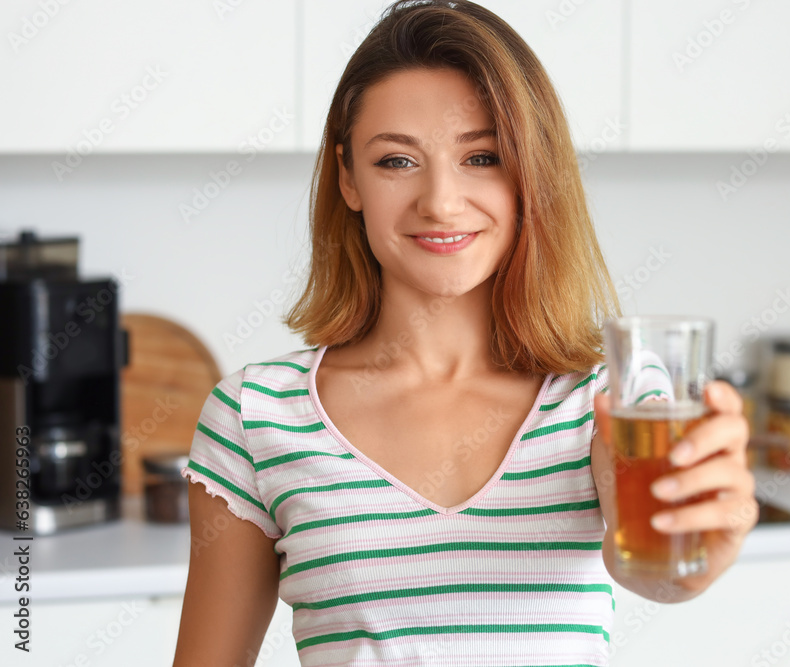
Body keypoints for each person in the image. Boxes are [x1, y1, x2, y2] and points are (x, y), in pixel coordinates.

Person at [172, 1, 756, 665]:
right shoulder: (255, 416)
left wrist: (707, 531)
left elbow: (660, 570)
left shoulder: (611, 394)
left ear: (528, 176)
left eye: (481, 156)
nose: (441, 201)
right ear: (347, 176)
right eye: (396, 161)